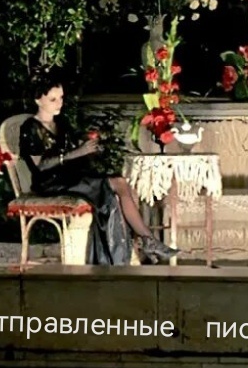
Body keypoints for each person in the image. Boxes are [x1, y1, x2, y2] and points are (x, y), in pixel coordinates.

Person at [18, 70, 177, 265]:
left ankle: (143, 242)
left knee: (119, 184)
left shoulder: (61, 123)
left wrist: (88, 145)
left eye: (61, 98)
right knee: (117, 184)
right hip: (50, 182)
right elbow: (41, 165)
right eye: (53, 99)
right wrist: (77, 152)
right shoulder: (30, 127)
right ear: (38, 100)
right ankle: (145, 242)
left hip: (71, 176)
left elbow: (74, 151)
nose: (59, 103)